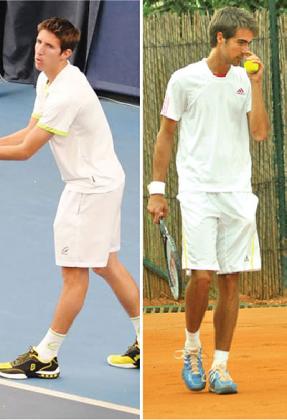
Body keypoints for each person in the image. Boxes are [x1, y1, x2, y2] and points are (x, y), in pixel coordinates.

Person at [0, 17, 140, 379]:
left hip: (89, 187)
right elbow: (29, 130)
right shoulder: (49, 79)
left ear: (66, 53)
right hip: (104, 180)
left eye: (48, 46)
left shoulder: (66, 92)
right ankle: (146, 338)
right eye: (38, 42)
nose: (39, 50)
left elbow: (28, 150)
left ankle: (46, 356)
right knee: (105, 263)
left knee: (74, 274)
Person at [147, 6, 269, 394]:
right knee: (201, 277)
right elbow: (166, 134)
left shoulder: (243, 80)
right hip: (198, 191)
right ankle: (191, 348)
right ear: (220, 38)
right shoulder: (184, 79)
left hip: (237, 193)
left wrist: (256, 84)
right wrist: (157, 189)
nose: (247, 51)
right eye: (241, 43)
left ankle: (221, 366)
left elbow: (260, 133)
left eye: (250, 44)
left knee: (230, 279)